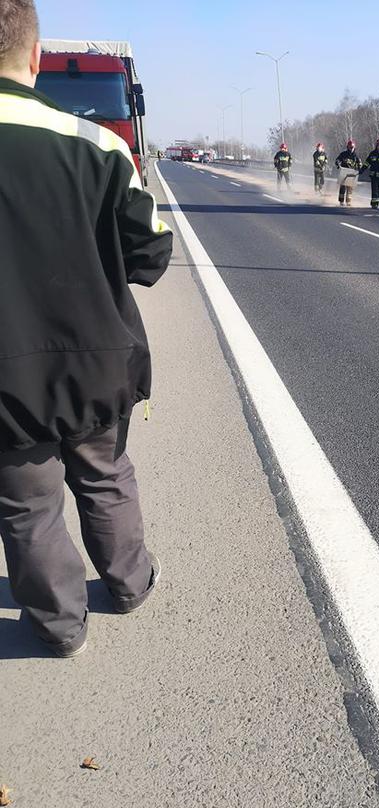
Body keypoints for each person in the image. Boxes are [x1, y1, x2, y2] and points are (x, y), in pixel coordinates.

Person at [0, 0, 173, 658]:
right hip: (97, 357)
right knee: (104, 473)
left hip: (6, 372)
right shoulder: (98, 145)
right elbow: (151, 253)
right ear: (36, 59)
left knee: (28, 505)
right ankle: (129, 582)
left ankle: (60, 624)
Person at [335, 139, 362, 206]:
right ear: (347, 147)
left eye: (352, 148)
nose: (351, 149)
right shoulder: (343, 154)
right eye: (350, 147)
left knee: (350, 188)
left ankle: (348, 202)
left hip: (351, 173)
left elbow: (360, 163)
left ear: (354, 148)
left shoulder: (356, 156)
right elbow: (337, 160)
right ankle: (341, 201)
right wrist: (338, 164)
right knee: (342, 188)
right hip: (344, 172)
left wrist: (359, 168)